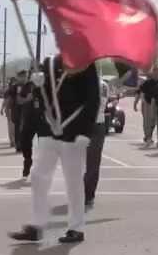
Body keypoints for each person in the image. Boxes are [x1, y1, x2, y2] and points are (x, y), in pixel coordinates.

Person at [9, 53, 100, 244]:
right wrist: (37, 84)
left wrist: (85, 132)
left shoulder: (85, 63)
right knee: (38, 176)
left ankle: (76, 228)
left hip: (73, 132)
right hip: (49, 129)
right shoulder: (50, 63)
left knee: (73, 181)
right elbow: (40, 98)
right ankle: (37, 224)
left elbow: (92, 100)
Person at [84, 77, 109, 207]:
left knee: (92, 162)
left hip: (93, 124)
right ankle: (84, 193)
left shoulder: (101, 85)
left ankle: (87, 194)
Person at [18, 71, 42, 178]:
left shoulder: (47, 87)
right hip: (29, 119)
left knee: (44, 146)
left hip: (43, 120)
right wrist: (27, 99)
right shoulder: (27, 87)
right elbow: (19, 100)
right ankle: (27, 160)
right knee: (24, 142)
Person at [133, 67, 158, 147]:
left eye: (157, 72)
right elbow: (139, 91)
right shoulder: (147, 83)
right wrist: (135, 103)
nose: (155, 74)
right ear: (152, 73)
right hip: (148, 104)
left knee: (155, 122)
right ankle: (148, 138)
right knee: (147, 122)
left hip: (157, 104)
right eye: (154, 72)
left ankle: (157, 139)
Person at [1, 77, 17, 149]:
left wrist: (2, 109)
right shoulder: (9, 90)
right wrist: (2, 108)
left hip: (12, 109)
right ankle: (12, 141)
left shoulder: (10, 90)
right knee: (11, 126)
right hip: (10, 109)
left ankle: (13, 141)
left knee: (11, 126)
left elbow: (5, 101)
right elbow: (5, 101)